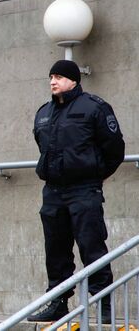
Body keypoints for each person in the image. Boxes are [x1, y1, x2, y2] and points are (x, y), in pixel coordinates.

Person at [28, 60, 125, 323]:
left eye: (58, 76)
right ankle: (57, 303)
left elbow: (114, 150)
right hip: (53, 192)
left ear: (73, 80)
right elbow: (42, 146)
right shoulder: (44, 112)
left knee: (92, 247)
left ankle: (104, 306)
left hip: (84, 190)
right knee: (56, 251)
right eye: (50, 77)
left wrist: (93, 175)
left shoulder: (94, 107)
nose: (52, 81)